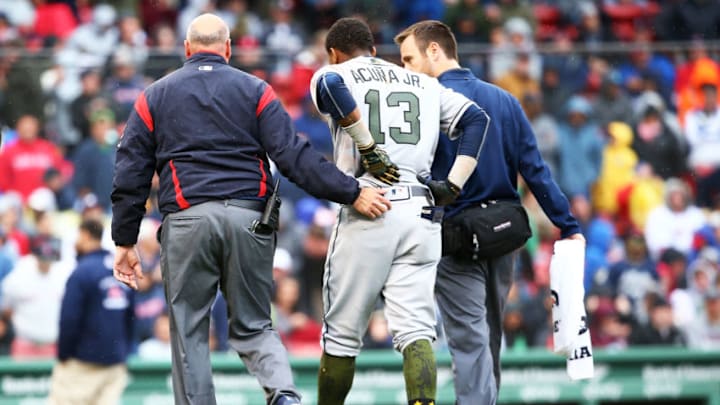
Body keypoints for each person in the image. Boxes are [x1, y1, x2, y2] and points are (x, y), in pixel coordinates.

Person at [110, 13, 391, 405]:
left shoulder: (154, 95)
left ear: (187, 49)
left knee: (190, 330)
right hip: (250, 219)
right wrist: (351, 192)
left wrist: (124, 239)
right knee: (256, 325)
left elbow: (130, 172)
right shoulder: (256, 90)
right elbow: (294, 157)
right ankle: (284, 395)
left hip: (187, 220)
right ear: (228, 49)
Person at [395, 20, 584, 404]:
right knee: (488, 335)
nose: (404, 70)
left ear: (435, 51)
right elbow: (536, 171)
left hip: (452, 237)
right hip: (502, 232)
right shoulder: (504, 101)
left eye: (409, 59)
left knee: (469, 339)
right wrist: (568, 225)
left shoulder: (423, 104)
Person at [310, 17, 491, 405]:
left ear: (334, 52)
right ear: (375, 50)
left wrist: (368, 147)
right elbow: (477, 119)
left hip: (368, 205)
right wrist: (454, 183)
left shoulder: (337, 70)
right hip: (421, 211)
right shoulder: (425, 83)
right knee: (416, 331)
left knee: (342, 335)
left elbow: (330, 84)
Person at [48, 219, 134, 405]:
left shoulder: (82, 272)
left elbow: (69, 319)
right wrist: (123, 353)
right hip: (114, 363)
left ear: (86, 235)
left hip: (82, 364)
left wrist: (64, 355)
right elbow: (131, 317)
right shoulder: (118, 268)